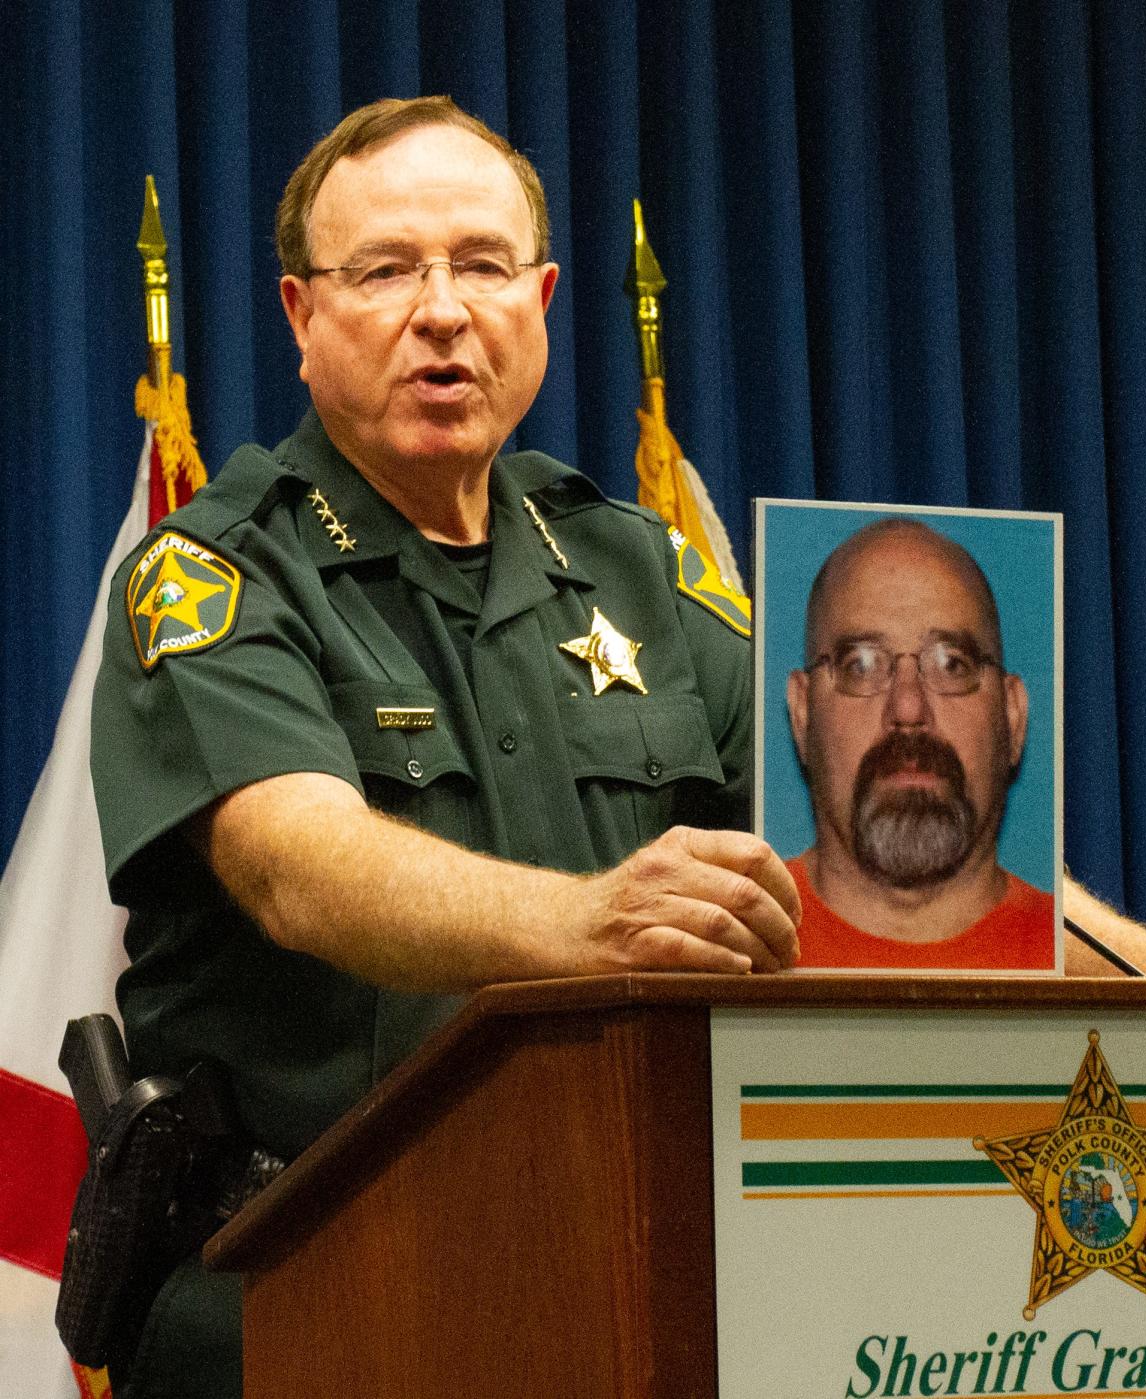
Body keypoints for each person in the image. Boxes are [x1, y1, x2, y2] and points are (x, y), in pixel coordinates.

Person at [90, 96, 799, 1399]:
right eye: (384, 270)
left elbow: (882, 868)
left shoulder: (640, 569)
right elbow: (301, 863)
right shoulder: (211, 575)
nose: (440, 308)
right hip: (315, 1295)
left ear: (539, 298)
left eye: (479, 264)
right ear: (302, 318)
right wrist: (596, 922)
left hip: (633, 1287)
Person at [784, 517, 1056, 970]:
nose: (908, 709)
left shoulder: (1094, 975)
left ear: (1013, 716)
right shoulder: (728, 958)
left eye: (952, 664)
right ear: (803, 713)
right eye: (861, 665)